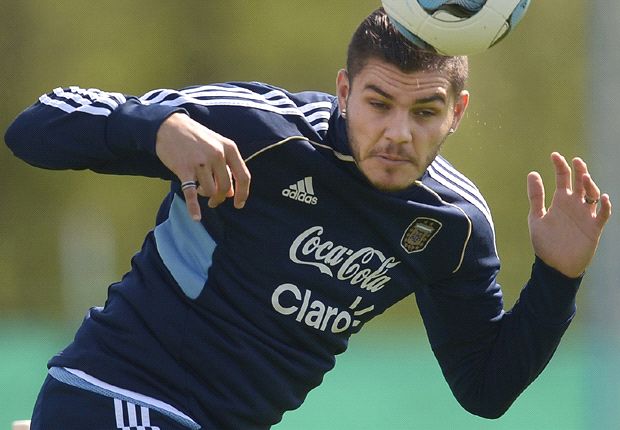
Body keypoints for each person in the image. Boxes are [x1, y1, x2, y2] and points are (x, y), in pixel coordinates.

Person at [4, 7, 612, 430]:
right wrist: (157, 127)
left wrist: (557, 279)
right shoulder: (257, 129)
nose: (398, 132)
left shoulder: (451, 226)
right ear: (344, 91)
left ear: (458, 112)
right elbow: (33, 127)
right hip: (116, 389)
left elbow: (485, 389)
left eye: (425, 112)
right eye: (378, 103)